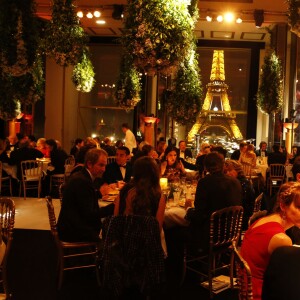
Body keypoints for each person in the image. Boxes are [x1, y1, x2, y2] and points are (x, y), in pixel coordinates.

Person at [240, 182, 300, 300]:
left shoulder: (265, 219)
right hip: (260, 293)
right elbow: (286, 284)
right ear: (283, 205)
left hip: (246, 286)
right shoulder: (281, 239)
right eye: (299, 207)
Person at [185, 152, 242, 253]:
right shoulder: (235, 182)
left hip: (210, 236)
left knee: (177, 232)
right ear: (223, 165)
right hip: (232, 233)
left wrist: (188, 210)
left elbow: (199, 215)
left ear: (206, 167)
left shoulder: (204, 183)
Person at [57, 148, 114, 242]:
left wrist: (99, 194)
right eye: (101, 165)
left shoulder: (82, 177)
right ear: (89, 164)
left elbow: (83, 199)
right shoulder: (82, 181)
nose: (104, 169)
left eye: (105, 165)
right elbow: (90, 215)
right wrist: (114, 206)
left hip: (73, 224)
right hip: (73, 231)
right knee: (111, 238)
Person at [113, 156, 166, 231]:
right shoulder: (158, 196)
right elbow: (157, 229)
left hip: (123, 237)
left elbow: (116, 217)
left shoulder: (124, 191)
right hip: (147, 239)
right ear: (155, 173)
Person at [224, 159, 256, 229]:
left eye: (230, 170)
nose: (227, 174)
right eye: (225, 172)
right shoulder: (243, 181)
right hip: (244, 215)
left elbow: (238, 204)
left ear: (237, 170)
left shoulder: (239, 184)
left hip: (242, 218)